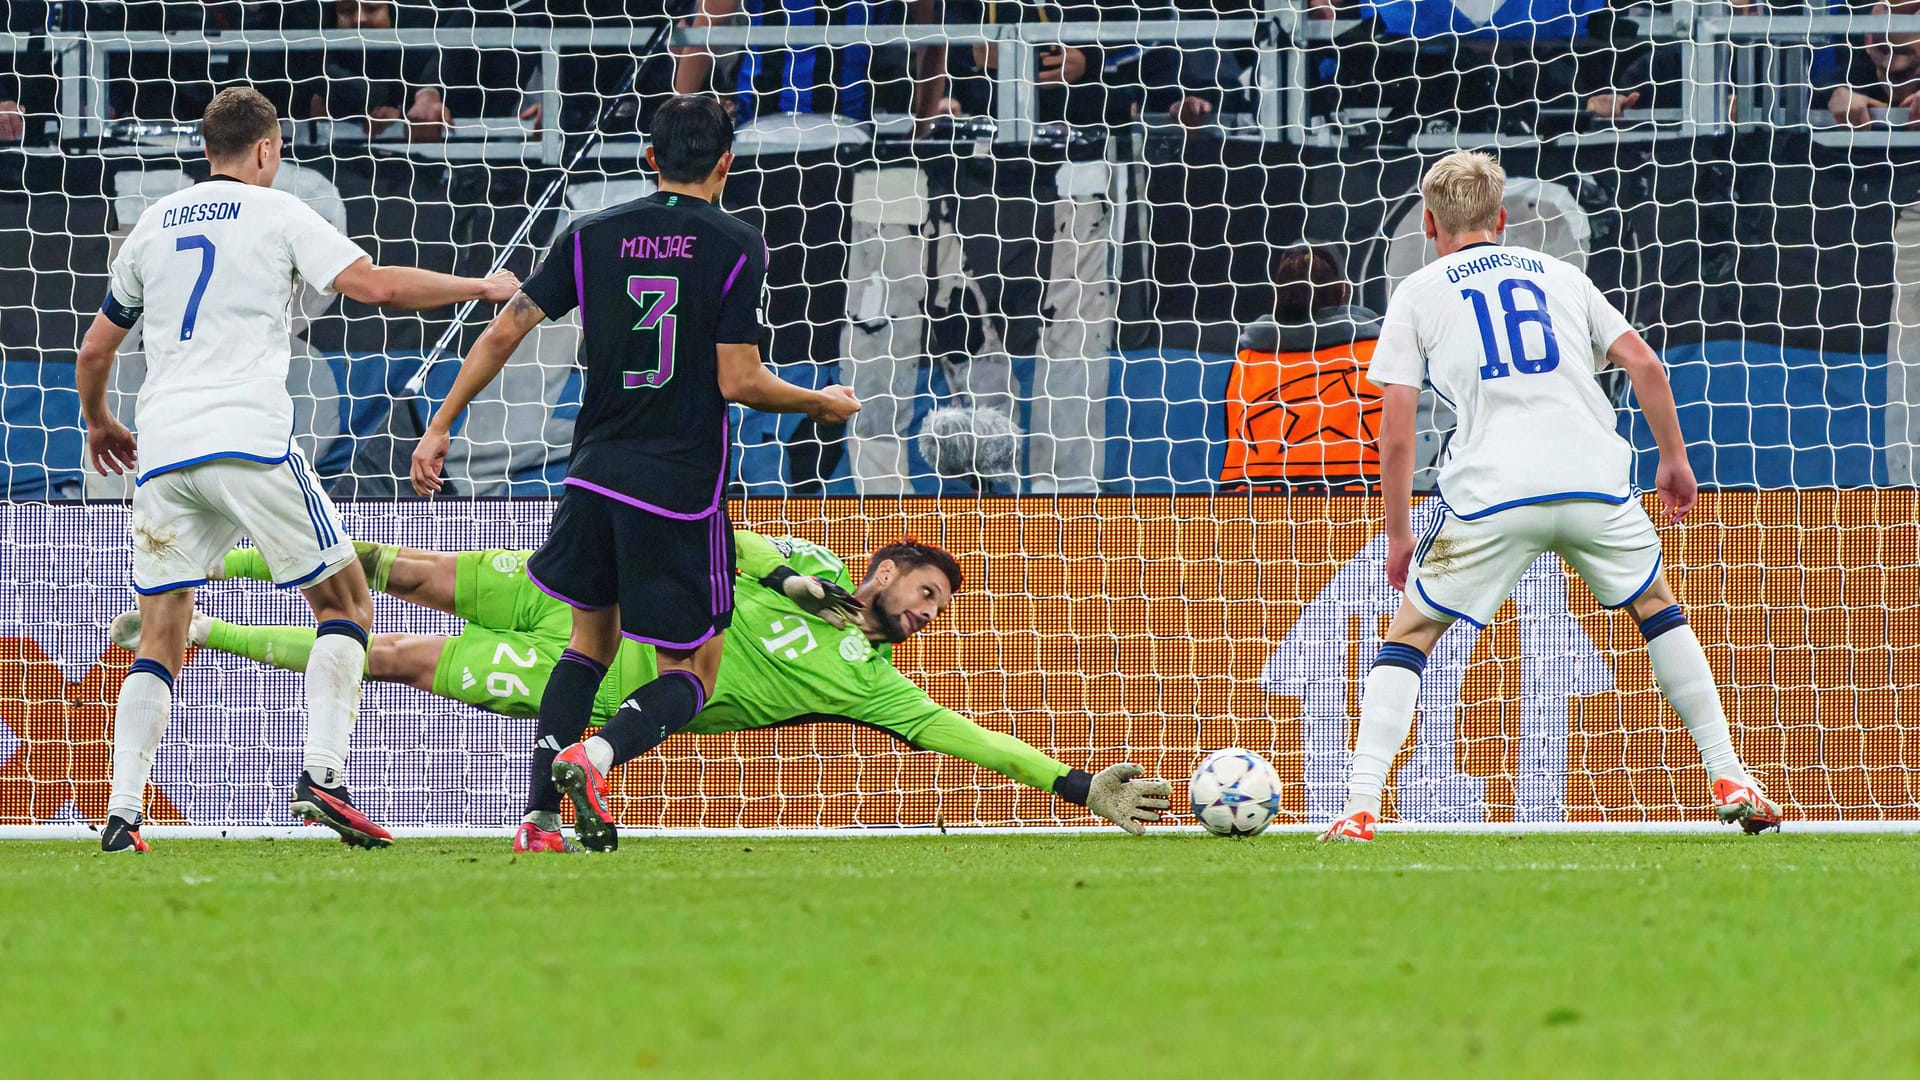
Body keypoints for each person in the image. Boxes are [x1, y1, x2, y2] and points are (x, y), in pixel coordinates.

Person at [75, 87, 521, 852]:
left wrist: (99, 422)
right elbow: (374, 286)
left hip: (165, 449)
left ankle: (121, 814)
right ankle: (323, 777)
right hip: (246, 440)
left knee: (160, 634)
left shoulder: (151, 225)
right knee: (346, 600)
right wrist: (481, 287)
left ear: (206, 150)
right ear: (266, 151)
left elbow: (94, 350)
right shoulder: (275, 213)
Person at [410, 94, 859, 853]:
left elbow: (504, 328)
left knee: (588, 645)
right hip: (679, 489)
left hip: (593, 475)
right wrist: (819, 402)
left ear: (648, 158)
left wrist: (442, 423)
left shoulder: (592, 235)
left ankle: (538, 821)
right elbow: (740, 381)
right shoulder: (739, 243)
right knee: (695, 669)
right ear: (726, 163)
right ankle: (599, 756)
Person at [110, 532, 1173, 850]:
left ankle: (200, 626)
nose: (930, 614)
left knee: (390, 658)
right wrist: (791, 576)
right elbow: (733, 537)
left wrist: (1075, 784)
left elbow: (967, 738)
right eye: (927, 592)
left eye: (939, 608)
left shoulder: (875, 686)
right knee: (396, 567)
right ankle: (233, 555)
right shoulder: (803, 561)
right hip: (573, 591)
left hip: (577, 671)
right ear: (885, 573)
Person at [1317, 151, 1781, 842]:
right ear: (1502, 219)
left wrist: (1397, 533)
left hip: (1494, 492)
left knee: (1411, 635)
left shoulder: (1417, 292)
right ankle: (1729, 773)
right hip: (1593, 479)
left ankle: (1359, 804)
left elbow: (1396, 436)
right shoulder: (1563, 275)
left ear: (1429, 224)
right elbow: (1646, 364)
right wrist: (1675, 460)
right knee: (1657, 609)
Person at [1221, 246, 1385, 488]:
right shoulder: (1375, 354)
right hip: (1359, 502)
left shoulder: (1247, 361)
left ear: (1279, 294)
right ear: (1342, 293)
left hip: (1255, 506)